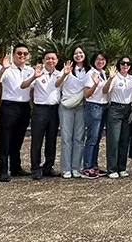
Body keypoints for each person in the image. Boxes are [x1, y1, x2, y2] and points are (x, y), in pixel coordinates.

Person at [0, 44, 33, 182]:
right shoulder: (7, 69)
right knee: (5, 139)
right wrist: (3, 68)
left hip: (24, 106)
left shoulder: (30, 70)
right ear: (14, 54)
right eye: (19, 53)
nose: (22, 56)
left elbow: (32, 89)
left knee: (19, 138)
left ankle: (15, 167)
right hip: (9, 106)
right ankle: (2, 171)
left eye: (25, 54)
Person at [23, 50, 61, 180]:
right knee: (37, 140)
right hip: (40, 109)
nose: (51, 61)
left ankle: (48, 167)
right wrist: (34, 76)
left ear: (57, 60)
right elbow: (24, 85)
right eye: (48, 58)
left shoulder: (60, 74)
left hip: (54, 110)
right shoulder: (38, 73)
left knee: (51, 140)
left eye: (53, 58)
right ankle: (35, 168)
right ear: (43, 60)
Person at [56, 46, 89, 179]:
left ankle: (76, 168)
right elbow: (57, 84)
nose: (78, 55)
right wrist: (65, 73)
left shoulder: (89, 70)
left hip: (81, 106)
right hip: (67, 105)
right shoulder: (68, 69)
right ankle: (66, 168)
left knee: (79, 138)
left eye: (81, 52)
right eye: (76, 53)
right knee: (66, 138)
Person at [103, 56, 132, 178]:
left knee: (124, 140)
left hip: (128, 109)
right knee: (114, 140)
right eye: (123, 63)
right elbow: (105, 91)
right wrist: (110, 78)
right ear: (119, 64)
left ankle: (122, 167)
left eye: (128, 63)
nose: (125, 65)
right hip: (115, 108)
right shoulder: (115, 77)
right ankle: (112, 169)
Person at [82, 51, 109, 179]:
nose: (100, 62)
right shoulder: (90, 74)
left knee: (97, 138)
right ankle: (87, 167)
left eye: (103, 59)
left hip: (103, 106)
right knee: (92, 138)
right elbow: (87, 94)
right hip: (93, 106)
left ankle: (94, 165)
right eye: (98, 59)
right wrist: (96, 84)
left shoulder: (103, 73)